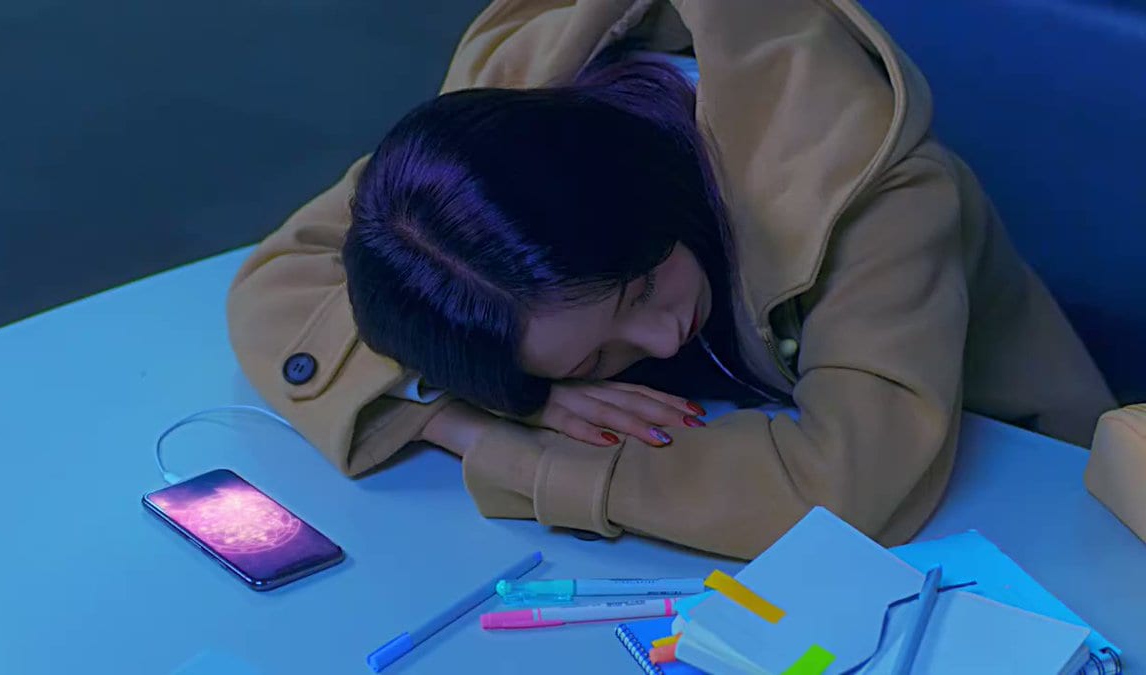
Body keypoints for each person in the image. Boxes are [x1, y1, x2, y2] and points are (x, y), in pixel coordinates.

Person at [227, 0, 1115, 559]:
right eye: (586, 362)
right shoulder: (494, 136)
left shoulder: (871, 187)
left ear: (648, 195)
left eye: (641, 286)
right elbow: (275, 283)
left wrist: (502, 452)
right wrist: (457, 409)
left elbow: (847, 490)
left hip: (1023, 499)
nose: (660, 336)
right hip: (733, 460)